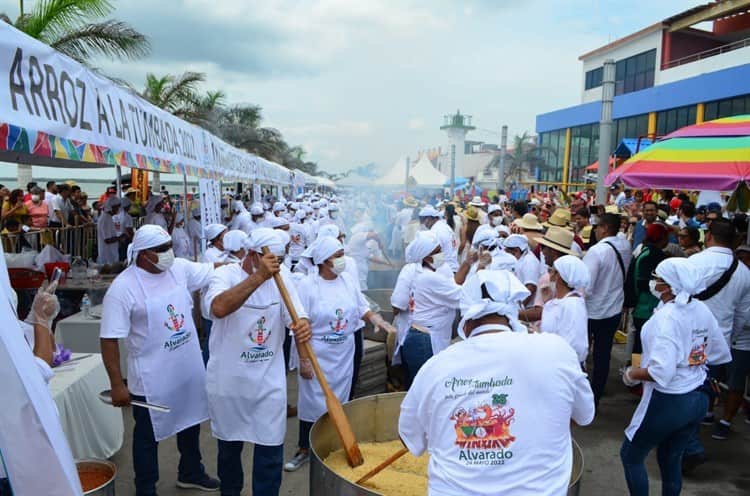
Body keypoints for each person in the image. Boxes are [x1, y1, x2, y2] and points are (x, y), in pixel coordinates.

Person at [399, 269, 595, 496]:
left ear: (466, 318)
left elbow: (408, 438)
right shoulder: (558, 350)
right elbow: (583, 415)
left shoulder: (435, 367)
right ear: (512, 310)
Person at [99, 225, 220, 495]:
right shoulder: (123, 288)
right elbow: (109, 339)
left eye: (170, 246)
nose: (169, 253)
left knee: (189, 423)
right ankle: (145, 487)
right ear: (144, 254)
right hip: (151, 379)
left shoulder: (179, 269)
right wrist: (117, 384)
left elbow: (216, 270)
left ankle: (190, 471)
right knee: (146, 437)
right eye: (162, 249)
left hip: (185, 369)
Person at [203, 228, 312, 496]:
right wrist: (259, 277)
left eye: (281, 261)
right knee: (229, 452)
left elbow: (297, 316)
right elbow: (218, 308)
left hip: (268, 383)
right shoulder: (224, 275)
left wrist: (304, 329)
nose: (278, 266)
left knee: (271, 452)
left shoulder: (282, 278)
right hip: (230, 384)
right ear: (253, 254)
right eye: (273, 260)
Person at [620, 258, 731, 496]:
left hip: (669, 401)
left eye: (657, 278)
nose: (653, 282)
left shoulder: (667, 319)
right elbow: (719, 352)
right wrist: (693, 361)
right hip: (698, 397)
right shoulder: (700, 308)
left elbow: (661, 372)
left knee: (631, 455)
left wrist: (631, 374)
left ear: (669, 286)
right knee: (671, 459)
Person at [285, 237, 395, 472]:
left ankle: (334, 445)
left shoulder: (346, 280)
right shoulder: (308, 285)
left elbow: (361, 306)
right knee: (312, 404)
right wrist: (303, 360)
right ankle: (304, 448)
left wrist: (376, 319)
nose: (342, 259)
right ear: (324, 260)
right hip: (317, 355)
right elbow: (299, 323)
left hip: (343, 354)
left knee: (341, 401)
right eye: (338, 255)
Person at [685, 219, 750, 458]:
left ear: (708, 235)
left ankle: (689, 443)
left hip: (689, 340)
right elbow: (743, 315)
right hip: (716, 343)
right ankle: (691, 439)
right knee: (704, 387)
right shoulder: (744, 272)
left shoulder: (693, 262)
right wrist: (726, 338)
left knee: (685, 388)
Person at [395, 232, 464, 388]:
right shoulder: (429, 278)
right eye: (437, 252)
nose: (441, 254)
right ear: (426, 258)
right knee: (425, 388)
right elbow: (461, 296)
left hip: (425, 337)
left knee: (419, 387)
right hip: (424, 341)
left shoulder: (430, 273)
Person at [583, 213, 632, 407]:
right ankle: (596, 393)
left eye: (597, 227)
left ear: (603, 228)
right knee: (603, 354)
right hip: (613, 308)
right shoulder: (625, 246)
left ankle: (582, 393)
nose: (595, 230)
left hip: (592, 309)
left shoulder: (597, 251)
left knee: (581, 351)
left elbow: (585, 285)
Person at [624, 223, 669, 355]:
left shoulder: (645, 251)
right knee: (643, 346)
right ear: (662, 238)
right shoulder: (654, 255)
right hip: (646, 308)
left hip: (642, 307)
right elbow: (643, 282)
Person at [540, 255, 591, 366]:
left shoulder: (573, 305)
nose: (549, 275)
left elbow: (576, 347)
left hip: (562, 367)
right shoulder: (560, 301)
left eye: (551, 271)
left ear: (558, 276)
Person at [503, 234, 541, 306]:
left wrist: (519, 308)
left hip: (526, 308)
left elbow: (530, 287)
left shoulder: (530, 262)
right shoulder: (520, 259)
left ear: (516, 250)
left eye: (507, 251)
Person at [419, 205, 459, 272]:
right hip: (452, 267)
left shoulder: (436, 231)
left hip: (446, 270)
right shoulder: (443, 226)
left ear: (429, 218)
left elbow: (431, 251)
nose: (423, 224)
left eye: (423, 220)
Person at [96, 197, 122, 265]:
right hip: (107, 255)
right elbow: (107, 240)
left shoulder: (109, 217)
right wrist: (120, 238)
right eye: (116, 207)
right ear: (111, 207)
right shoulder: (105, 219)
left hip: (111, 253)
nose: (118, 209)